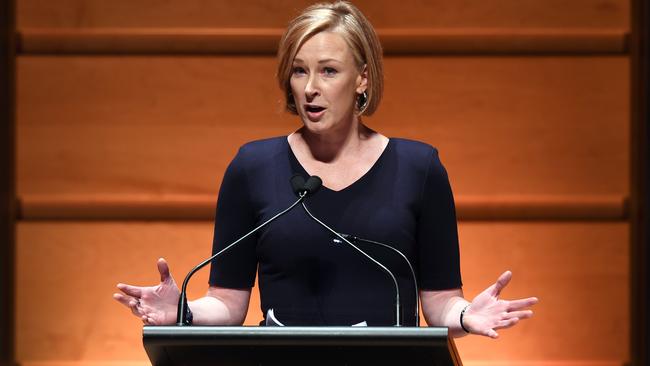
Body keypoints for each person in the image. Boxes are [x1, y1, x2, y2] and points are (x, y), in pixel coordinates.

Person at [114, 1, 537, 338]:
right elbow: (228, 302)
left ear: (363, 79)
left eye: (328, 71)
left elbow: (441, 301)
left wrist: (465, 315)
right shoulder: (252, 166)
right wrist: (183, 311)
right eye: (299, 71)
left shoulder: (419, 167)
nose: (310, 88)